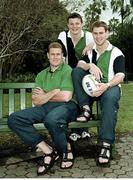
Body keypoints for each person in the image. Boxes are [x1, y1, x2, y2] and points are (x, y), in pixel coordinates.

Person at [7, 42, 79, 175]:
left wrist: (44, 95)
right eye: (53, 54)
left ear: (63, 56)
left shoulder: (67, 70)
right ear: (48, 56)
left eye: (58, 54)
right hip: (45, 107)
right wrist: (53, 92)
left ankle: (66, 149)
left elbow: (66, 96)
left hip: (67, 107)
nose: (55, 57)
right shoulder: (41, 75)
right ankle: (48, 151)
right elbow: (35, 100)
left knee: (52, 119)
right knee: (14, 119)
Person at [71, 21, 125, 167]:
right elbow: (78, 66)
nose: (98, 36)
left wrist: (106, 85)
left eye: (101, 33)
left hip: (110, 87)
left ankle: (105, 146)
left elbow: (120, 76)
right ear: (92, 34)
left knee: (109, 100)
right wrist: (90, 65)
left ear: (107, 33)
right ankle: (86, 109)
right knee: (76, 72)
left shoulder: (116, 52)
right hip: (92, 88)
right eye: (95, 33)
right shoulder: (90, 50)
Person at [58, 12, 94, 141]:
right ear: (68, 25)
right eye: (71, 24)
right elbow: (61, 54)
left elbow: (102, 43)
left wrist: (92, 44)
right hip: (69, 71)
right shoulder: (63, 35)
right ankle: (75, 130)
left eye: (77, 23)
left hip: (84, 72)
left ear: (82, 24)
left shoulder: (89, 36)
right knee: (72, 99)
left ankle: (83, 129)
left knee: (85, 94)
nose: (74, 27)